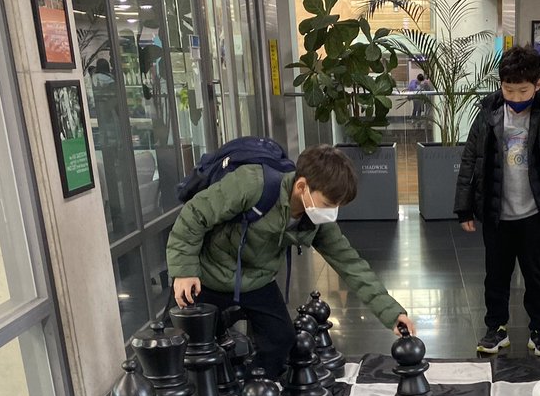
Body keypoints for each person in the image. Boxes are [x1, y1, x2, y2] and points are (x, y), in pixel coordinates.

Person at [167, 145, 415, 376]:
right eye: (329, 204)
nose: (332, 212)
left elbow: (350, 264)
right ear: (302, 187)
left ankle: (256, 394)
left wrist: (392, 313)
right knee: (176, 348)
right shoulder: (251, 183)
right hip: (206, 275)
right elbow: (194, 214)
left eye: (338, 206)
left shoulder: (315, 220)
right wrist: (184, 271)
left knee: (281, 340)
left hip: (257, 280)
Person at [454, 44, 540, 357]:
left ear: (538, 85)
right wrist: (464, 206)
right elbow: (470, 159)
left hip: (535, 214)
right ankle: (496, 327)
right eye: (508, 89)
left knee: (537, 276)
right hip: (497, 213)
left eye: (523, 90)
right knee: (495, 275)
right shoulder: (488, 116)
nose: (515, 97)